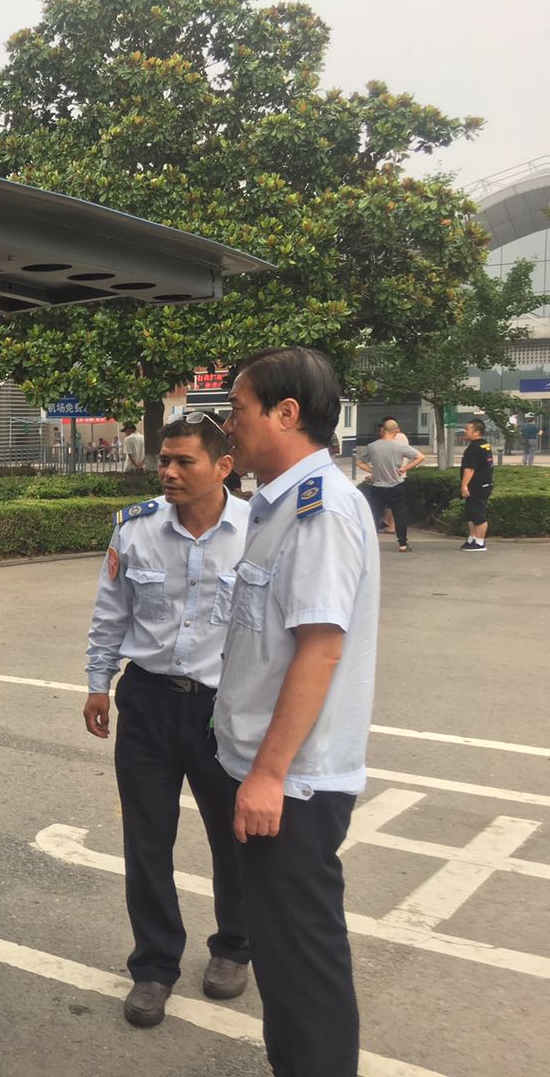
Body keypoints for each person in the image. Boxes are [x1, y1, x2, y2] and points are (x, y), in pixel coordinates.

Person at [216, 346, 380, 1077]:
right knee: (284, 958)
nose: (229, 425)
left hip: (295, 784)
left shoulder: (320, 509)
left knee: (302, 964)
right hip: (275, 773)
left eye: (238, 410)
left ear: (286, 414)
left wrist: (268, 774)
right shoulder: (279, 503)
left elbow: (319, 651)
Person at [83, 414, 251, 1028]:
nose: (169, 472)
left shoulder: (257, 530)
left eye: (185, 462)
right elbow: (111, 610)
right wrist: (98, 682)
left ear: (223, 467)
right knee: (147, 841)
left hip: (222, 710)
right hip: (148, 702)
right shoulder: (135, 528)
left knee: (233, 837)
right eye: (164, 461)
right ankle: (154, 967)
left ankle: (234, 946)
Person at [355, 418, 424, 552]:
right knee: (400, 515)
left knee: (374, 515)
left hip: (377, 486)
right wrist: (404, 468)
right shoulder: (399, 446)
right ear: (395, 430)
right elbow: (420, 457)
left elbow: (359, 462)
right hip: (396, 485)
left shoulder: (372, 446)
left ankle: (369, 544)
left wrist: (373, 471)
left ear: (384, 430)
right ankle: (403, 544)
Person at [459, 418, 494, 551]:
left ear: (476, 432)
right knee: (471, 513)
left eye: (467, 429)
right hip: (480, 485)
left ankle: (479, 543)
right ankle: (472, 538)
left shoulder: (474, 448)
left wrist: (464, 485)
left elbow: (470, 468)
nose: (464, 431)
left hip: (478, 486)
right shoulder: (484, 445)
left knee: (478, 514)